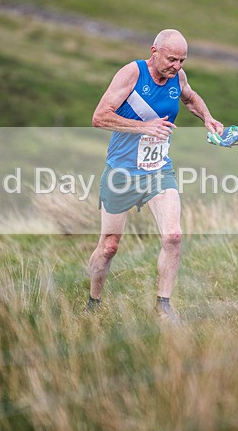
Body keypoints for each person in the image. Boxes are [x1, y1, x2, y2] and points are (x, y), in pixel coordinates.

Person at [87, 29, 223, 322]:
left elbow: (190, 98)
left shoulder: (178, 77)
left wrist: (208, 118)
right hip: (121, 173)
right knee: (109, 246)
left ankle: (163, 307)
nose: (176, 66)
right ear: (154, 51)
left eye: (182, 61)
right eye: (172, 59)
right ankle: (94, 302)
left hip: (158, 170)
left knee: (173, 236)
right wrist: (144, 127)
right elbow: (99, 117)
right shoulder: (132, 73)